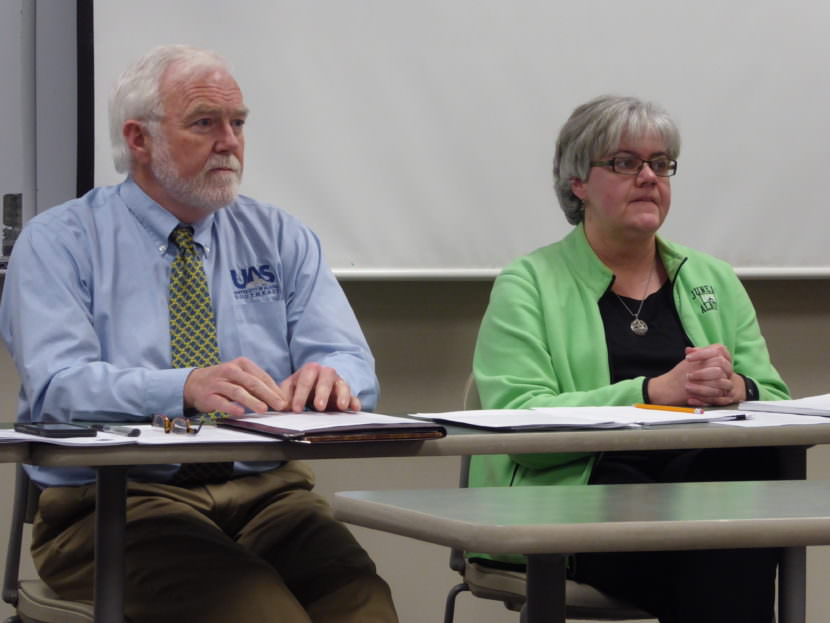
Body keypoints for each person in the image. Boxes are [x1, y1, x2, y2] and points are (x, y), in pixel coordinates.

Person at [0, 44, 397, 623]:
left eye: (238, 123)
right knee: (258, 612)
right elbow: (58, 388)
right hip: (115, 504)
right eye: (205, 123)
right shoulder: (60, 242)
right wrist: (182, 387)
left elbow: (352, 364)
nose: (230, 141)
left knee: (367, 607)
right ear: (138, 140)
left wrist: (333, 379)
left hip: (270, 498)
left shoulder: (280, 237)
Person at [470, 95, 790, 623]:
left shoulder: (714, 279)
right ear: (578, 183)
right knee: (723, 554)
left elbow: (776, 398)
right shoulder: (527, 284)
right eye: (625, 163)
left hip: (702, 492)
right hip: (583, 499)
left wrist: (741, 391)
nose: (649, 177)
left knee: (747, 484)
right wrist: (649, 394)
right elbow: (515, 421)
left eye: (661, 164)